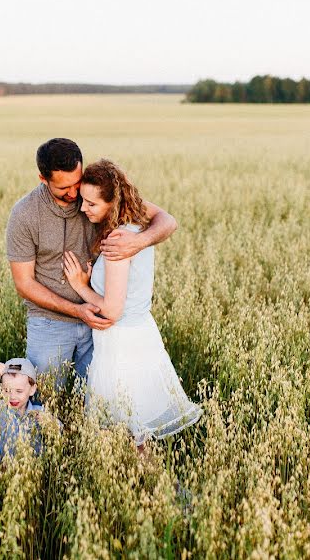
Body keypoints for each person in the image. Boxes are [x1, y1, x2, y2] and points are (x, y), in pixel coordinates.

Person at [6, 138, 178, 387]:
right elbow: (24, 284)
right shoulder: (24, 214)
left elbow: (167, 220)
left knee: (96, 400)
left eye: (77, 183)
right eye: (64, 188)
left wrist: (138, 242)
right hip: (49, 323)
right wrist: (77, 310)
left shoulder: (94, 195)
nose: (75, 194)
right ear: (43, 179)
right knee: (45, 397)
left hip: (100, 326)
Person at [62, 159, 202, 450]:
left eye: (91, 204)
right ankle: (155, 491)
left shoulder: (117, 241)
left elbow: (112, 311)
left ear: (112, 203)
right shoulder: (136, 224)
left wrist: (80, 286)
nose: (83, 208)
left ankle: (161, 491)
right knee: (136, 435)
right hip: (141, 337)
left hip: (121, 345)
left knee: (130, 435)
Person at [0, 358, 60, 458]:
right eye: (7, 390)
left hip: (31, 469)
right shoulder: (0, 410)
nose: (12, 396)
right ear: (1, 388)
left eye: (19, 391)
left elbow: (59, 430)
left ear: (32, 389)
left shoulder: (38, 412)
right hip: (3, 468)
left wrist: (49, 421)